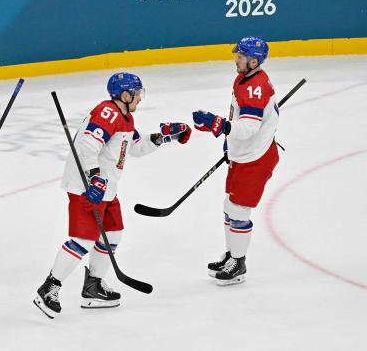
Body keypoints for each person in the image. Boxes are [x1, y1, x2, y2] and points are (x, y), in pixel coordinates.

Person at [33, 72, 192, 319]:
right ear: (125, 95)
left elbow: (136, 148)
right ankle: (49, 287)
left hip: (106, 187)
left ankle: (93, 285)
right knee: (83, 240)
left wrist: (164, 136)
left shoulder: (125, 118)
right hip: (86, 187)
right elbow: (87, 145)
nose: (140, 98)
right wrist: (95, 176)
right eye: (137, 94)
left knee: (114, 232)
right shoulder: (108, 113)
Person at [192, 36, 279, 286]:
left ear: (254, 60)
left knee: (239, 209)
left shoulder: (255, 87)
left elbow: (249, 128)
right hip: (243, 154)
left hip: (255, 158)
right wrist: (226, 137)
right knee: (230, 205)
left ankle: (238, 264)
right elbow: (239, 120)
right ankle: (232, 254)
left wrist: (219, 125)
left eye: (240, 57)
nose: (236, 60)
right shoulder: (244, 78)